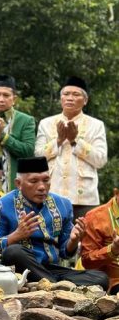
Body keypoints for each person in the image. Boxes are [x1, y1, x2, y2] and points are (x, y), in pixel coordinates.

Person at [0, 157, 108, 288]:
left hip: (49, 269)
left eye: (46, 180)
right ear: (18, 183)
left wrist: (73, 241)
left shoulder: (63, 205)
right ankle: (57, 286)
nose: (42, 187)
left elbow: (66, 252)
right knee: (14, 252)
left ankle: (51, 284)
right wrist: (15, 236)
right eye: (34, 181)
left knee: (101, 278)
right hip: (16, 271)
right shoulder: (1, 206)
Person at [35, 76, 107, 219]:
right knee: (50, 238)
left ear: (85, 100)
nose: (70, 98)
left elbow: (100, 160)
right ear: (61, 99)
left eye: (76, 94)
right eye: (66, 94)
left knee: (84, 239)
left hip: (84, 197)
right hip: (52, 193)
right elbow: (38, 156)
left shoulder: (96, 125)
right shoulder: (46, 123)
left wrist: (75, 141)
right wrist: (59, 140)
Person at [81, 189, 119, 294]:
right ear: (116, 192)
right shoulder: (95, 217)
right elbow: (87, 261)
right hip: (114, 282)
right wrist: (113, 249)